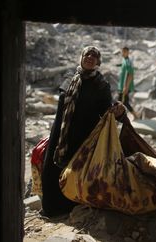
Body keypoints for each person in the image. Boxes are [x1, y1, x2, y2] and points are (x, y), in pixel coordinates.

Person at [40, 46, 126, 217]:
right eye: (87, 54)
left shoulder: (101, 85)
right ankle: (51, 209)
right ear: (81, 58)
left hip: (84, 137)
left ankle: (72, 209)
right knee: (52, 169)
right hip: (62, 134)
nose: (89, 57)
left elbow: (106, 110)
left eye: (94, 56)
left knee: (76, 173)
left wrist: (119, 112)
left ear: (98, 62)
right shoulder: (70, 79)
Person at [118, 46, 138, 119]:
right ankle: (121, 117)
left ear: (127, 52)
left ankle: (135, 116)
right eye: (122, 51)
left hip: (125, 86)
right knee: (121, 102)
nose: (122, 53)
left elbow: (130, 74)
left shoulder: (128, 62)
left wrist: (126, 87)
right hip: (122, 86)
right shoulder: (124, 60)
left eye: (124, 52)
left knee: (123, 102)